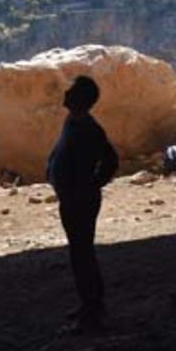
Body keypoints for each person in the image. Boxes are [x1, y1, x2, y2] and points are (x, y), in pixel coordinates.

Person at [47, 75, 119, 331]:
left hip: (80, 200)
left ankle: (92, 312)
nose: (66, 92)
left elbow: (111, 160)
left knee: (82, 253)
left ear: (80, 99)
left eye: (72, 90)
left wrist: (91, 184)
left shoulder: (89, 128)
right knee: (80, 252)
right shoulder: (74, 122)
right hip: (72, 197)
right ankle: (89, 304)